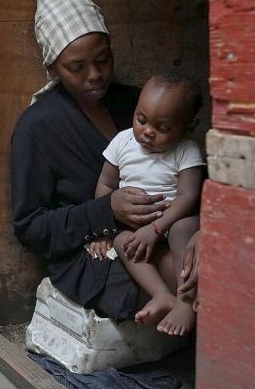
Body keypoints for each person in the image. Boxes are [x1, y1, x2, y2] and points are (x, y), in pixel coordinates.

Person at [11, 0, 170, 323]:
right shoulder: (37, 128)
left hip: (164, 230)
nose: (95, 75)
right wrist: (104, 212)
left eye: (103, 59)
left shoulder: (137, 105)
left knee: (197, 264)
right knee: (174, 279)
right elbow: (29, 228)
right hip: (91, 256)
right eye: (77, 68)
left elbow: (185, 163)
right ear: (53, 67)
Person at [93, 68, 205, 336]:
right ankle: (161, 295)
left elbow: (189, 197)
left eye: (162, 127)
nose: (147, 132)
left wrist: (157, 229)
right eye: (141, 119)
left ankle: (185, 301)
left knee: (183, 231)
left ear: (187, 127)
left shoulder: (186, 150)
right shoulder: (123, 141)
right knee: (122, 241)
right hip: (135, 225)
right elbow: (105, 186)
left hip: (172, 221)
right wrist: (109, 220)